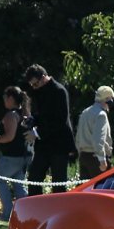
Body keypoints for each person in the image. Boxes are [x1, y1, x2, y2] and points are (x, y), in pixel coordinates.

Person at [23, 64, 76, 195]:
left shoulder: (59, 91)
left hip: (59, 144)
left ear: (43, 77)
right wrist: (32, 120)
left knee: (58, 184)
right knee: (34, 179)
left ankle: (59, 209)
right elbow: (41, 114)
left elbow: (60, 120)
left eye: (35, 84)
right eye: (32, 86)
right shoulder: (39, 92)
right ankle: (36, 208)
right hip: (43, 145)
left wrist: (36, 133)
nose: (34, 88)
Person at [0, 86, 32, 221]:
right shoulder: (24, 114)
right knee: (19, 185)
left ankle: (8, 213)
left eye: (5, 97)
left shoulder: (11, 115)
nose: (3, 100)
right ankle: (26, 215)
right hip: (24, 155)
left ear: (11, 98)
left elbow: (9, 137)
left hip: (11, 156)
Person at [75, 86, 114, 179]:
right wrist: (102, 159)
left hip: (84, 156)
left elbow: (78, 137)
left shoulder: (85, 112)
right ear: (107, 99)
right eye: (111, 98)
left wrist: (80, 154)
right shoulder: (101, 114)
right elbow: (98, 139)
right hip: (96, 158)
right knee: (102, 186)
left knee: (86, 187)